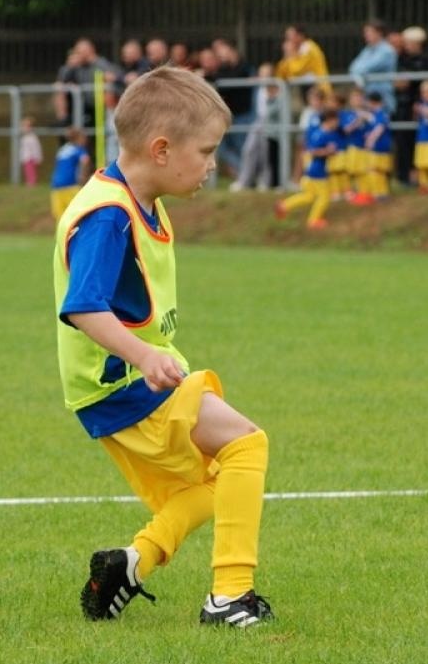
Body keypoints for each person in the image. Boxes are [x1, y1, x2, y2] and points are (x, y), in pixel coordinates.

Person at [56, 67, 273, 628]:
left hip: (121, 389)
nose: (211, 165)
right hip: (123, 388)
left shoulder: (135, 198)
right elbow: (83, 306)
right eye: (205, 152)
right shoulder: (108, 216)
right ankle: (230, 596)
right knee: (246, 447)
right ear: (160, 149)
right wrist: (145, 356)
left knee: (215, 481)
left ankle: (134, 562)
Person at [276, 102, 339, 229]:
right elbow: (313, 151)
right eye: (336, 120)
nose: (337, 123)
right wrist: (328, 151)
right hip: (317, 171)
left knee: (309, 196)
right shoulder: (322, 134)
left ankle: (284, 206)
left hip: (311, 170)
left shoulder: (317, 133)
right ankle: (314, 220)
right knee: (324, 196)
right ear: (330, 120)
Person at [209, 38, 255, 177]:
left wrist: (214, 77)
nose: (219, 54)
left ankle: (247, 176)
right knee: (221, 147)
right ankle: (245, 174)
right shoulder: (223, 68)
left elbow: (234, 77)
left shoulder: (244, 66)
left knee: (244, 148)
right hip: (228, 116)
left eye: (221, 50)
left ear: (230, 50)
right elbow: (219, 78)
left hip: (243, 115)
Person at [53, 38, 120, 132]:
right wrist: (69, 66)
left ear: (90, 50)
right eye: (76, 51)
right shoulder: (75, 67)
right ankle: (63, 120)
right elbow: (62, 79)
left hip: (99, 105)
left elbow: (114, 77)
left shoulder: (101, 64)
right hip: (80, 103)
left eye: (80, 51)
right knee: (59, 88)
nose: (77, 54)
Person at [234, 63, 281, 191]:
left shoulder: (277, 88)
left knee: (266, 154)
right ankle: (244, 181)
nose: (263, 77)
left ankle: (266, 182)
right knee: (248, 149)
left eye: (266, 74)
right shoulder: (258, 89)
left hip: (272, 125)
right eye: (261, 73)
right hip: (259, 122)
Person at [393, 25, 428, 186]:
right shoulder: (401, 59)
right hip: (401, 105)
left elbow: (408, 82)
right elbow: (398, 82)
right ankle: (401, 175)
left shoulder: (424, 61)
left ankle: (414, 176)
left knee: (413, 142)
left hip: (414, 106)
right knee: (401, 141)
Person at [349, 19, 397, 111]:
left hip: (382, 97)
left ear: (379, 33)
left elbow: (365, 68)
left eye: (369, 32)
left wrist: (358, 74)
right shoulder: (367, 49)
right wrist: (357, 73)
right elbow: (353, 67)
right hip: (367, 96)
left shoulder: (387, 51)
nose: (366, 35)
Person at [276, 24, 331, 98]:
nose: (288, 40)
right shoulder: (299, 50)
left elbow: (297, 70)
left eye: (290, 36)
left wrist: (290, 55)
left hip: (319, 89)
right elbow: (282, 73)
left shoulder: (309, 48)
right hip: (307, 88)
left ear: (300, 36)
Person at [357, 91, 394, 202]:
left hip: (379, 148)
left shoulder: (381, 114)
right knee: (376, 170)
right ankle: (378, 192)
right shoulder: (375, 115)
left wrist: (370, 140)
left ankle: (380, 192)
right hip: (378, 148)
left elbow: (379, 128)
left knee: (376, 170)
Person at [49, 127, 90, 219]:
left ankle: (62, 233)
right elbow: (85, 160)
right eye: (83, 137)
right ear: (78, 138)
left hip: (56, 185)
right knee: (76, 215)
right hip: (70, 185)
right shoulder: (78, 149)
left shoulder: (62, 149)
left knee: (60, 217)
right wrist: (84, 176)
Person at [18, 117, 42, 186]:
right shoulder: (24, 138)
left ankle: (32, 182)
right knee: (27, 171)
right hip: (25, 157)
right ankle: (29, 181)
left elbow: (36, 148)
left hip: (31, 158)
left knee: (31, 171)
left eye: (26, 126)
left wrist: (38, 158)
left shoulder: (33, 137)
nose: (24, 128)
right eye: (23, 126)